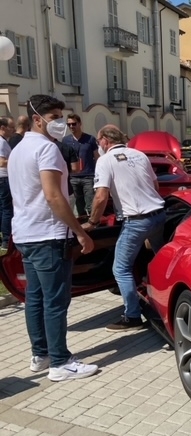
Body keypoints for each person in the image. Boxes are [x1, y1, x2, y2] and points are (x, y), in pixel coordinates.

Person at [8, 94, 97, 381]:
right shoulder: (46, 149)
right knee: (55, 300)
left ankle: (41, 354)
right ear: (38, 119)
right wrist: (80, 232)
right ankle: (60, 361)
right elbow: (53, 195)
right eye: (56, 117)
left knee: (35, 298)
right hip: (48, 234)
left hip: (25, 232)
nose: (60, 123)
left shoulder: (18, 150)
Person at [82, 125, 166, 332]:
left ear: (103, 140)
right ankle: (164, 304)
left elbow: (101, 196)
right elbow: (155, 187)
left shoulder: (105, 161)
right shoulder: (139, 155)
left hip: (136, 220)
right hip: (158, 214)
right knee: (162, 261)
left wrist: (92, 222)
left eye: (98, 141)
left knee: (120, 269)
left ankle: (132, 316)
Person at [63, 114, 99, 216]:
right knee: (78, 204)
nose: (71, 127)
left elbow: (97, 157)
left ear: (80, 124)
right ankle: (82, 223)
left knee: (90, 203)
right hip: (73, 177)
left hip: (88, 175)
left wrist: (98, 174)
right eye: (68, 124)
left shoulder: (90, 139)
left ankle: (93, 224)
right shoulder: (66, 140)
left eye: (74, 124)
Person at [0, 117, 16, 250]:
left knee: (2, 208)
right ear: (3, 128)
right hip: (4, 178)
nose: (14, 130)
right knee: (7, 210)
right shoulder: (2, 142)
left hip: (3, 178)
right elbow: (1, 162)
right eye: (11, 127)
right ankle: (6, 238)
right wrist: (16, 160)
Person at [54, 139, 80, 207]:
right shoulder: (67, 147)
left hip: (47, 192)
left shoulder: (39, 148)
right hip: (67, 190)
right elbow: (75, 168)